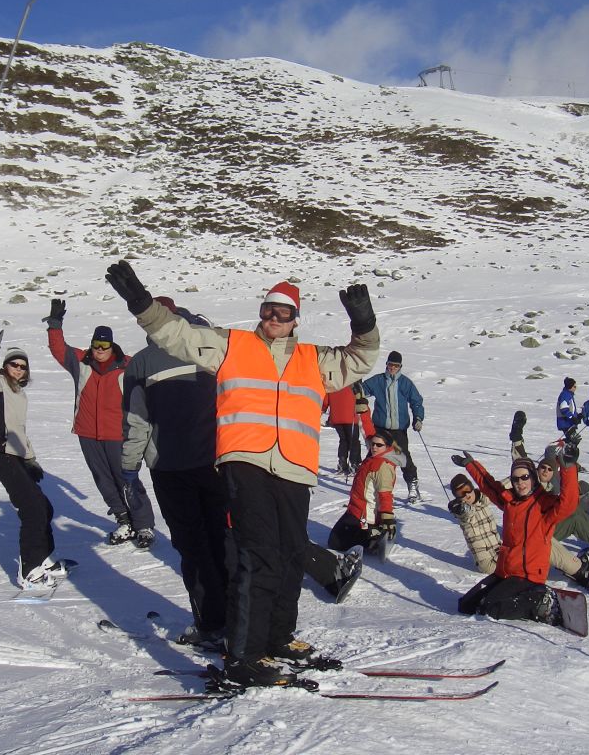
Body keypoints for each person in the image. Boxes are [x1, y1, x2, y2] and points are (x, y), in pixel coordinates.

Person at [105, 260, 379, 687]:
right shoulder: (232, 346)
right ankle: (244, 656)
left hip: (294, 466)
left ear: (295, 319)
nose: (274, 318)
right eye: (268, 309)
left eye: (283, 312)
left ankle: (278, 636)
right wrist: (141, 302)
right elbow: (178, 335)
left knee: (290, 554)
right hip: (245, 462)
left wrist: (363, 322)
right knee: (258, 555)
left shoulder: (313, 359)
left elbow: (361, 358)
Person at [121, 298, 229, 644]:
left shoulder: (141, 363)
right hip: (217, 462)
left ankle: (212, 625)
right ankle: (241, 619)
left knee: (193, 546)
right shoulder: (211, 346)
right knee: (223, 540)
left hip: (170, 467)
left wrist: (129, 466)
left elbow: (137, 421)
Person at [44, 299, 155, 547]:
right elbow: (59, 349)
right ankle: (123, 520)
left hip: (117, 434)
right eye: (96, 345)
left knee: (127, 479)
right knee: (103, 480)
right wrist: (55, 325)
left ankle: (144, 525)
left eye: (104, 345)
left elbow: (150, 377)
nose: (100, 349)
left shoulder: (126, 366)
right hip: (88, 433)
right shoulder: (81, 363)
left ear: (112, 345)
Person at [0, 325, 63, 590]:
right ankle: (29, 570)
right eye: (13, 365)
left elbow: (21, 432)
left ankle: (44, 559)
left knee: (44, 507)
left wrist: (31, 459)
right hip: (2, 454)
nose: (18, 369)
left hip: (16, 457)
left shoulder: (20, 394)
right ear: (5, 367)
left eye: (22, 367)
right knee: (33, 509)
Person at [454, 449, 579, 626]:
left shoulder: (543, 504)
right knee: (466, 605)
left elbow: (569, 503)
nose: (520, 483)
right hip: (504, 571)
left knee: (489, 609)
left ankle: (540, 601)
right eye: (516, 479)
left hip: (528, 576)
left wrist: (569, 467)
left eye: (525, 477)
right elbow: (489, 485)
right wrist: (470, 464)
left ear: (533, 477)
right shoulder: (509, 501)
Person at [447, 472, 589, 592]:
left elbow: (498, 487)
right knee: (536, 543)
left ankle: (575, 565)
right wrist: (458, 509)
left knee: (539, 538)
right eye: (460, 493)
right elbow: (466, 515)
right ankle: (581, 573)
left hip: (502, 552)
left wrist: (523, 474)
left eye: (467, 489)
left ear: (471, 487)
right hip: (489, 563)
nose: (466, 495)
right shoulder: (463, 510)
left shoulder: (481, 498)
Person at [360, 350, 424, 503]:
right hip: (381, 428)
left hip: (399, 429)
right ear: (386, 364)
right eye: (390, 365)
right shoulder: (378, 380)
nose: (393, 368)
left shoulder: (405, 383)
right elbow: (362, 391)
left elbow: (416, 401)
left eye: (396, 365)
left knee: (403, 457)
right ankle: (365, 485)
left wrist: (418, 418)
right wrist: (356, 386)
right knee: (374, 456)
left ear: (400, 367)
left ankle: (412, 484)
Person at [327, 430, 404, 554]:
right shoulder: (374, 458)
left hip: (364, 515)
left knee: (336, 543)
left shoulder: (383, 466)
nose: (374, 447)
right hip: (355, 509)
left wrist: (387, 518)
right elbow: (366, 428)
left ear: (387, 446)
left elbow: (385, 495)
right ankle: (369, 533)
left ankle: (373, 536)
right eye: (372, 444)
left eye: (379, 445)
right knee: (335, 539)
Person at [322, 385, 360, 476]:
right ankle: (354, 463)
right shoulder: (352, 384)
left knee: (343, 440)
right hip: (351, 417)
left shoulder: (333, 384)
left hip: (336, 417)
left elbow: (325, 401)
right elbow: (360, 399)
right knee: (354, 441)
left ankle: (342, 463)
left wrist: (323, 409)